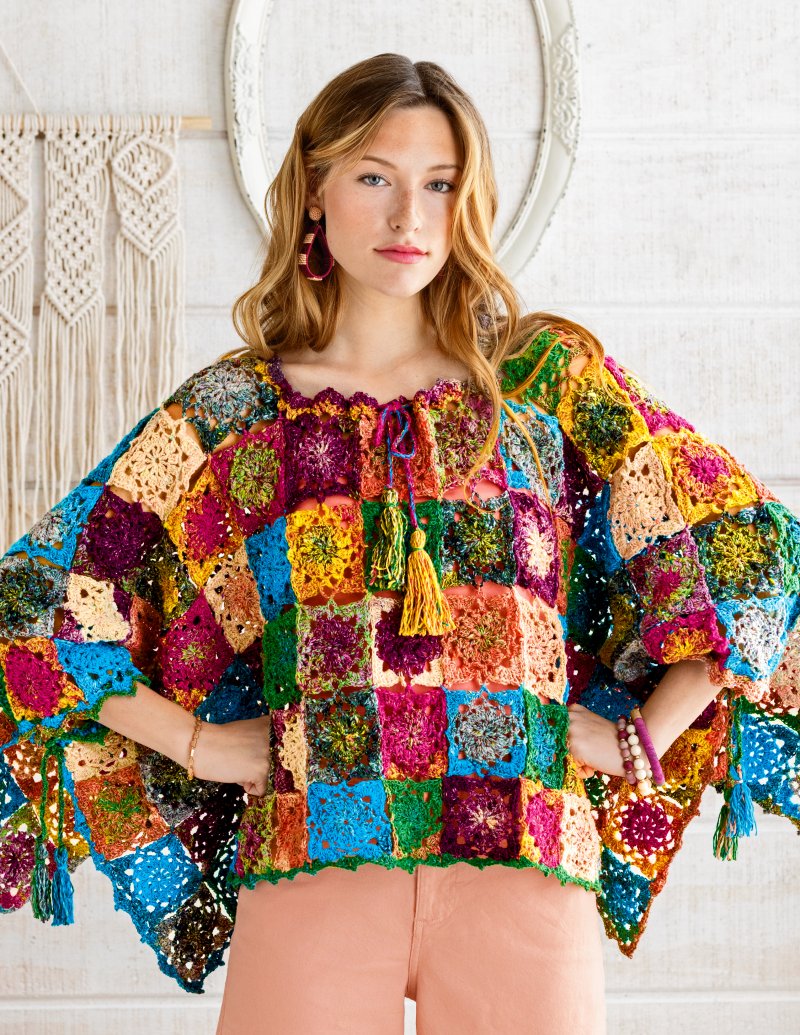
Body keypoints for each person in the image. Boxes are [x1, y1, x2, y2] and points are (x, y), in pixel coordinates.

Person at [0, 52, 797, 1035]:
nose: (408, 217)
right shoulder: (238, 417)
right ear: (315, 191)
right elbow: (38, 602)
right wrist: (199, 746)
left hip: (524, 864)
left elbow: (741, 546)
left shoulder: (543, 387)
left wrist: (643, 733)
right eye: (375, 177)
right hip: (313, 866)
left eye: (440, 184)